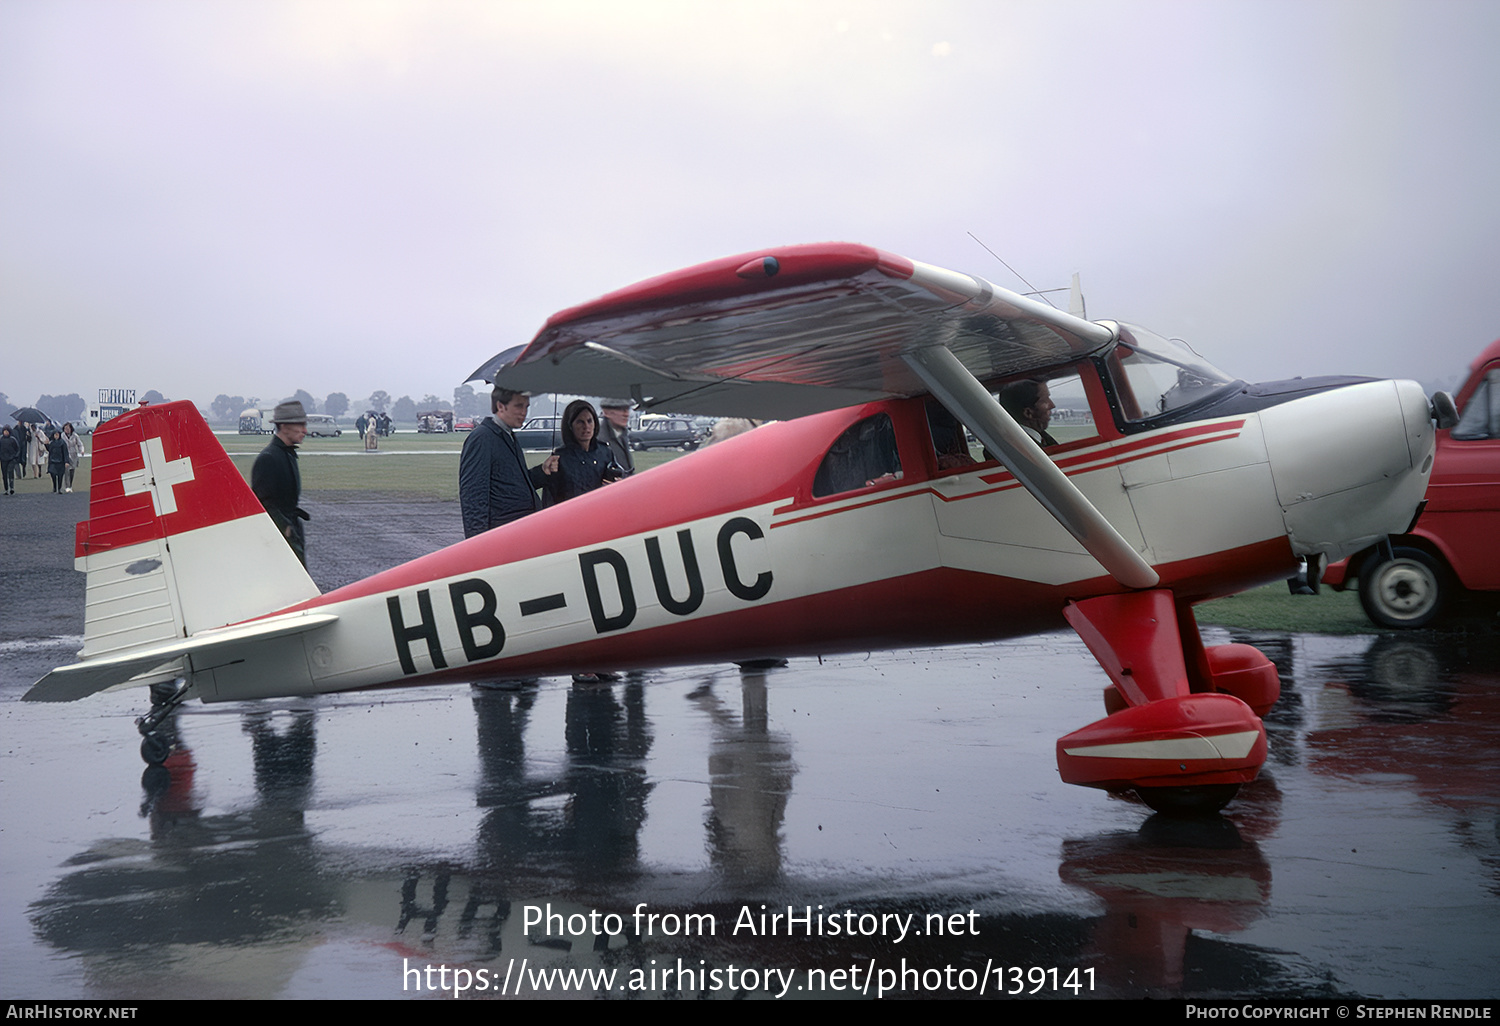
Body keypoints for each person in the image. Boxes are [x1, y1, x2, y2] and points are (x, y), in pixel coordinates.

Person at [459, 387, 559, 539]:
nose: (524, 412)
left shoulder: (508, 435)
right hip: (502, 535)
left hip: (520, 532)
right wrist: (477, 544)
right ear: (500, 406)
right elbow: (473, 497)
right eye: (519, 406)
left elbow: (514, 485)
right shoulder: (482, 438)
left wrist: (542, 471)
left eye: (526, 407)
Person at [251, 400, 310, 566]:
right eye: (300, 426)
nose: (305, 431)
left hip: (291, 530)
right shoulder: (269, 458)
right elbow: (263, 504)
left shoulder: (286, 454)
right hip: (281, 539)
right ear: (284, 427)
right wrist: (287, 530)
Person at [544, 400, 623, 506]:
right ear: (570, 426)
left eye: (589, 421)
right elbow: (549, 499)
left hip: (600, 511)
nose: (586, 427)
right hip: (570, 515)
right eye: (580, 422)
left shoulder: (605, 452)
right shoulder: (559, 458)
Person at [998, 378, 1058, 447]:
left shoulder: (1042, 439)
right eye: (1044, 401)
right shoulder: (1013, 447)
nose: (1052, 405)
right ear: (1028, 413)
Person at [597, 399, 635, 477]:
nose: (626, 414)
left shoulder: (622, 434)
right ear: (606, 412)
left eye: (627, 409)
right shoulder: (599, 438)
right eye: (621, 409)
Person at [62, 423, 84, 493]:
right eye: (65, 428)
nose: (67, 430)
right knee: (66, 471)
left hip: (73, 454)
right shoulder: (62, 436)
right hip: (65, 455)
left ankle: (70, 485)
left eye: (68, 428)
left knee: (72, 471)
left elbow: (80, 444)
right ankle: (67, 486)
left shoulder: (75, 436)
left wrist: (82, 451)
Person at [1, 426, 19, 494]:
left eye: (7, 431)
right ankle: (6, 489)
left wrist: (15, 457)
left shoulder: (13, 440)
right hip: (3, 459)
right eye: (4, 431)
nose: (5, 432)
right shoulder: (1, 440)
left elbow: (17, 448)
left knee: (10, 472)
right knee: (4, 474)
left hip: (11, 458)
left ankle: (11, 487)